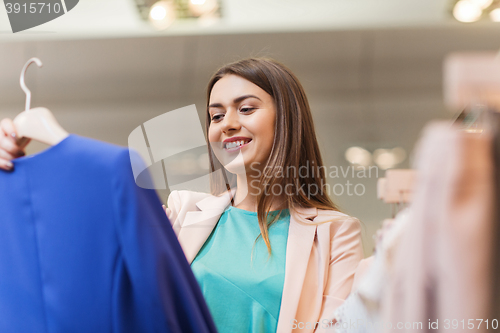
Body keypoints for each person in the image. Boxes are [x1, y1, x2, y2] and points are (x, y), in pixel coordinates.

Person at [0, 58, 364, 333]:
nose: (228, 124)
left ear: (287, 118)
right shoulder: (181, 211)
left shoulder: (336, 232)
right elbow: (85, 241)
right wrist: (16, 168)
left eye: (246, 108)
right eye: (216, 115)